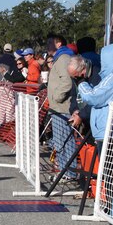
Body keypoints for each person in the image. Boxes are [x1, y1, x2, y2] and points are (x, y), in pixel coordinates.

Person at [46, 34, 78, 182]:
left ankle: (70, 173)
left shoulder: (64, 58)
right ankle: (65, 170)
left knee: (65, 141)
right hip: (58, 107)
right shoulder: (60, 58)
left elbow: (67, 82)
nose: (47, 46)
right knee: (60, 141)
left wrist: (56, 97)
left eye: (49, 43)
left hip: (62, 107)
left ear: (58, 43)